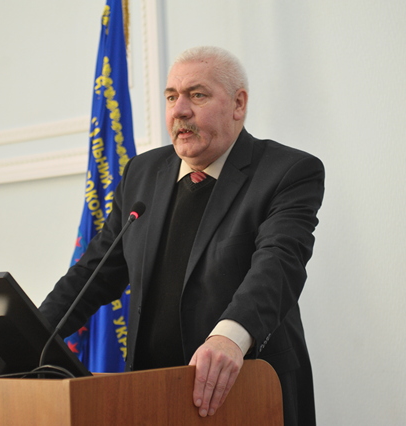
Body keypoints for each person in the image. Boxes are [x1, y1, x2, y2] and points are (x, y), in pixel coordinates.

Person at [39, 46, 324, 426]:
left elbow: (279, 262)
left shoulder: (287, 171)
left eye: (197, 95)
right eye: (171, 97)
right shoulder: (142, 173)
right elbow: (93, 273)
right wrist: (29, 336)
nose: (179, 111)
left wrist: (229, 338)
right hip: (151, 393)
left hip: (247, 390)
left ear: (238, 104)